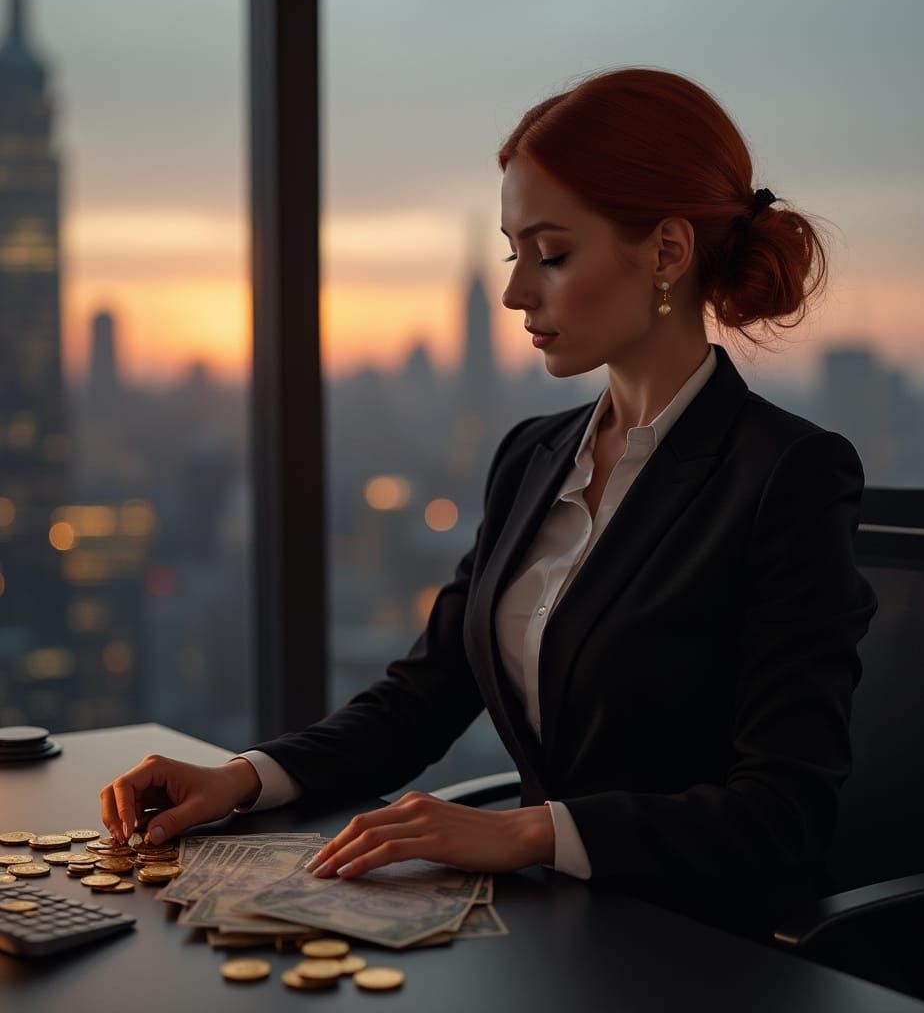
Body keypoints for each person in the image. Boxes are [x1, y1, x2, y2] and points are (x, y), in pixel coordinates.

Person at [99, 67, 878, 942]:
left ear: (666, 252)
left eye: (551, 254)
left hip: (699, 949)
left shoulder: (788, 474)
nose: (516, 293)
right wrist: (242, 777)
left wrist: (525, 830)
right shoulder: (531, 458)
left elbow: (784, 815)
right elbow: (423, 697)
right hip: (545, 932)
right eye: (515, 254)